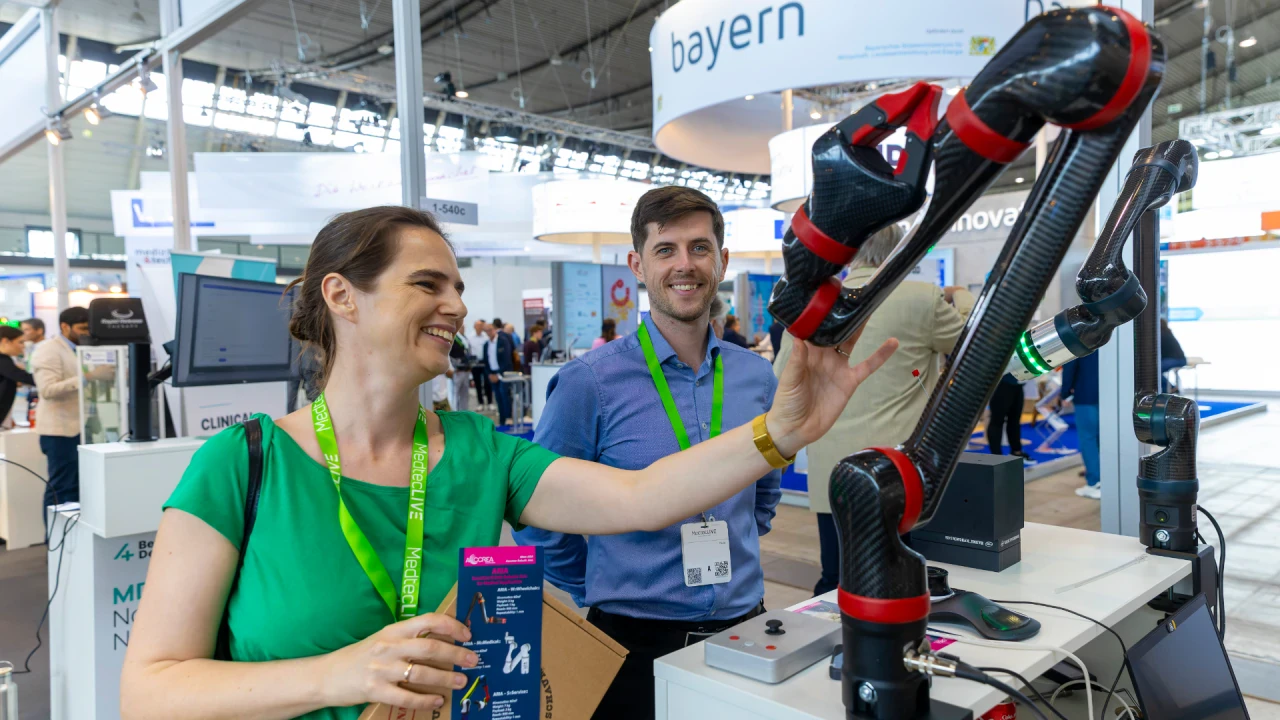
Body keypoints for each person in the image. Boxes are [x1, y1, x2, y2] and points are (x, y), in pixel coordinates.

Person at [118, 205, 895, 719]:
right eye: (427, 284)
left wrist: (781, 430)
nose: (456, 304)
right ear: (342, 296)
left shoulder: (481, 453)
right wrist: (343, 673)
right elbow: (149, 690)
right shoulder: (242, 465)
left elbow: (642, 497)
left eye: (458, 286)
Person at [512, 186, 788, 720]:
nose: (685, 264)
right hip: (633, 645)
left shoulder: (756, 377)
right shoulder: (590, 382)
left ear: (722, 260)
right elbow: (534, 511)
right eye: (666, 250)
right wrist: (599, 584)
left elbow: (764, 493)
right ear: (638, 265)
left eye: (700, 247)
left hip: (746, 630)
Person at [774, 224, 974, 597]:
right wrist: (961, 295)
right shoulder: (922, 298)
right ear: (899, 250)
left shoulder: (815, 305)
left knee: (836, 577)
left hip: (833, 468)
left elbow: (781, 380)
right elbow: (973, 344)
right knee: (906, 578)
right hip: (902, 470)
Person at [32, 307, 92, 515]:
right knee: (61, 488)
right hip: (60, 431)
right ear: (64, 326)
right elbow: (47, 390)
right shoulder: (48, 350)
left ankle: (72, 536)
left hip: (83, 429)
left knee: (79, 489)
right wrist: (88, 378)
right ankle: (53, 535)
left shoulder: (84, 348)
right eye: (82, 328)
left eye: (89, 328)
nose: (86, 332)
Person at [1061, 352, 1100, 499]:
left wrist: (1065, 393)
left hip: (1085, 395)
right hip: (1108, 394)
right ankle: (1105, 478)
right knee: (1101, 439)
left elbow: (1070, 365)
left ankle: (1094, 482)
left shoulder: (1080, 341)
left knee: (1088, 439)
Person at [0, 325, 36, 427]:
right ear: (5, 341)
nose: (23, 346)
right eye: (20, 342)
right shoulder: (3, 360)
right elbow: (23, 377)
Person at [987, 373, 1027, 458]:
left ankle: (1016, 451)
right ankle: (996, 456)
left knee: (1015, 420)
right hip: (1002, 383)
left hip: (1018, 383)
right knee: (997, 421)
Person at [486, 318, 516, 425]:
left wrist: (498, 374)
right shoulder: (486, 344)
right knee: (498, 397)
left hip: (503, 373)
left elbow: (506, 359)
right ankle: (502, 419)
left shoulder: (503, 341)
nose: (488, 332)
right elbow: (486, 361)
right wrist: (490, 374)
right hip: (492, 373)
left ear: (494, 329)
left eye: (490, 330)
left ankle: (508, 417)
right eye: (486, 331)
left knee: (505, 395)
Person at [20, 317, 44, 422]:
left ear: (39, 331)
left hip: (41, 392)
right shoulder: (30, 348)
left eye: (26, 329)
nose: (23, 333)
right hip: (32, 392)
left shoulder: (46, 348)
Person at [468, 320, 493, 409]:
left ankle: (490, 402)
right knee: (477, 383)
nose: (480, 327)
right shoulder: (470, 337)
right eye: (478, 326)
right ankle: (480, 403)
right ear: (474, 327)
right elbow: (469, 351)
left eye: (481, 326)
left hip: (485, 362)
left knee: (488, 382)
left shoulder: (486, 337)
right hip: (475, 363)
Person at [1160, 318, 1186, 392]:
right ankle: (1170, 388)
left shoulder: (1162, 335)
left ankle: (1169, 388)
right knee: (1155, 369)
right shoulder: (1167, 333)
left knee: (1155, 370)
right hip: (1178, 359)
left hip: (1176, 360)